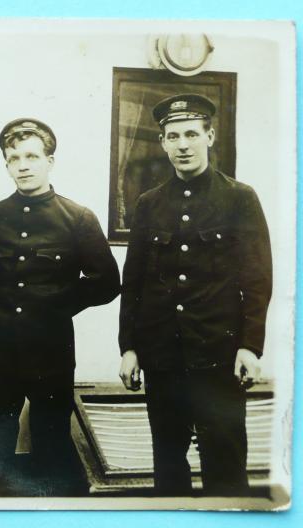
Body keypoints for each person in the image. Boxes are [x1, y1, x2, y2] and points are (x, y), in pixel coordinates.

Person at [118, 94, 272, 496]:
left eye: (191, 133)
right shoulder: (149, 204)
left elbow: (257, 279)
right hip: (163, 355)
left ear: (210, 136)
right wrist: (129, 347)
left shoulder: (239, 198)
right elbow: (133, 282)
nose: (183, 144)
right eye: (173, 136)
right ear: (163, 143)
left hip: (218, 354)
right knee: (168, 461)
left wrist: (250, 346)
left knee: (225, 458)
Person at [0, 118, 120, 493]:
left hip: (50, 349)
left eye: (31, 156)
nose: (22, 165)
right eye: (13, 158)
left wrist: (57, 304)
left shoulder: (77, 218)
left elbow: (107, 282)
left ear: (50, 161)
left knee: (52, 441)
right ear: (6, 165)